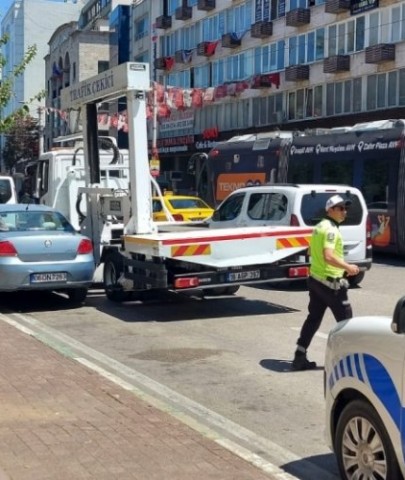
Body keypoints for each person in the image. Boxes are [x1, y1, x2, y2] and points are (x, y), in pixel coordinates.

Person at [292, 194, 360, 371]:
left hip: (316, 281)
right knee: (347, 325)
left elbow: (310, 251)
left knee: (313, 318)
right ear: (329, 210)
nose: (344, 211)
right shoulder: (330, 229)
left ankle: (299, 356)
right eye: (339, 208)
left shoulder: (319, 227)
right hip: (331, 285)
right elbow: (328, 256)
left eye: (345, 208)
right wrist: (348, 267)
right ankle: (349, 365)